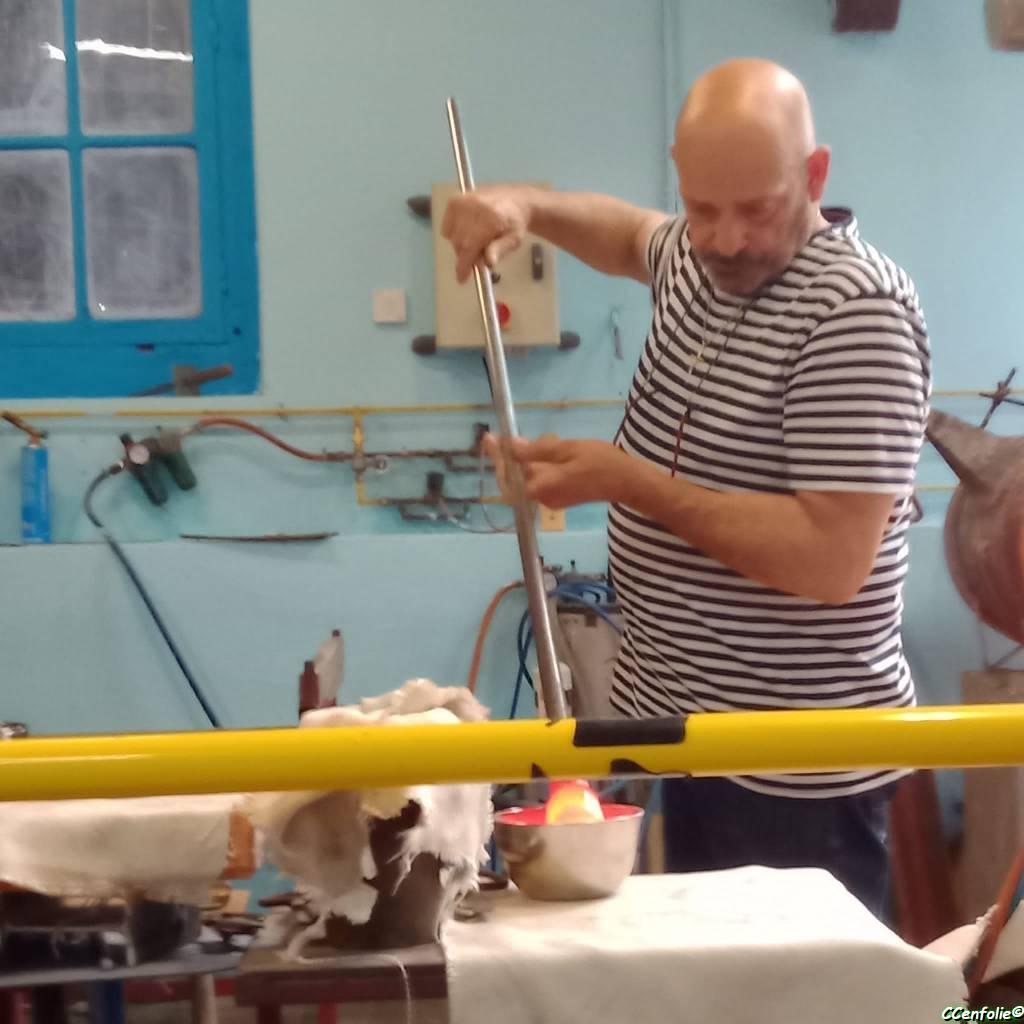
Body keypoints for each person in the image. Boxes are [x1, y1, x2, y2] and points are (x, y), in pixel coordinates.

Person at [441, 57, 930, 918]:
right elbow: (631, 235)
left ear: (815, 175)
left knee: (788, 988)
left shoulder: (854, 311)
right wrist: (526, 206)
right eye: (703, 208)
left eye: (757, 209)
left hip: (789, 771)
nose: (726, 240)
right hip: (682, 732)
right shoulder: (697, 259)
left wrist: (630, 482)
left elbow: (831, 562)